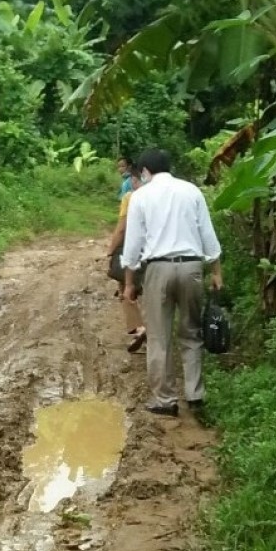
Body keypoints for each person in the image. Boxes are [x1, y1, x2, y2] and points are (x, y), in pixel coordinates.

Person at [120, 148, 223, 417]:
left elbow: (132, 246)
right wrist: (216, 271)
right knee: (191, 331)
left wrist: (129, 283)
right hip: (191, 267)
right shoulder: (192, 191)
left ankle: (165, 400)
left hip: (158, 269)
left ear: (144, 171)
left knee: (158, 336)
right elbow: (207, 233)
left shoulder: (140, 197)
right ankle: (195, 394)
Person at [106, 170, 146, 352]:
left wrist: (110, 250)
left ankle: (140, 327)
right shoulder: (161, 196)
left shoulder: (130, 198)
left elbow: (121, 228)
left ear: (136, 180)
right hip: (157, 250)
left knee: (125, 286)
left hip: (133, 248)